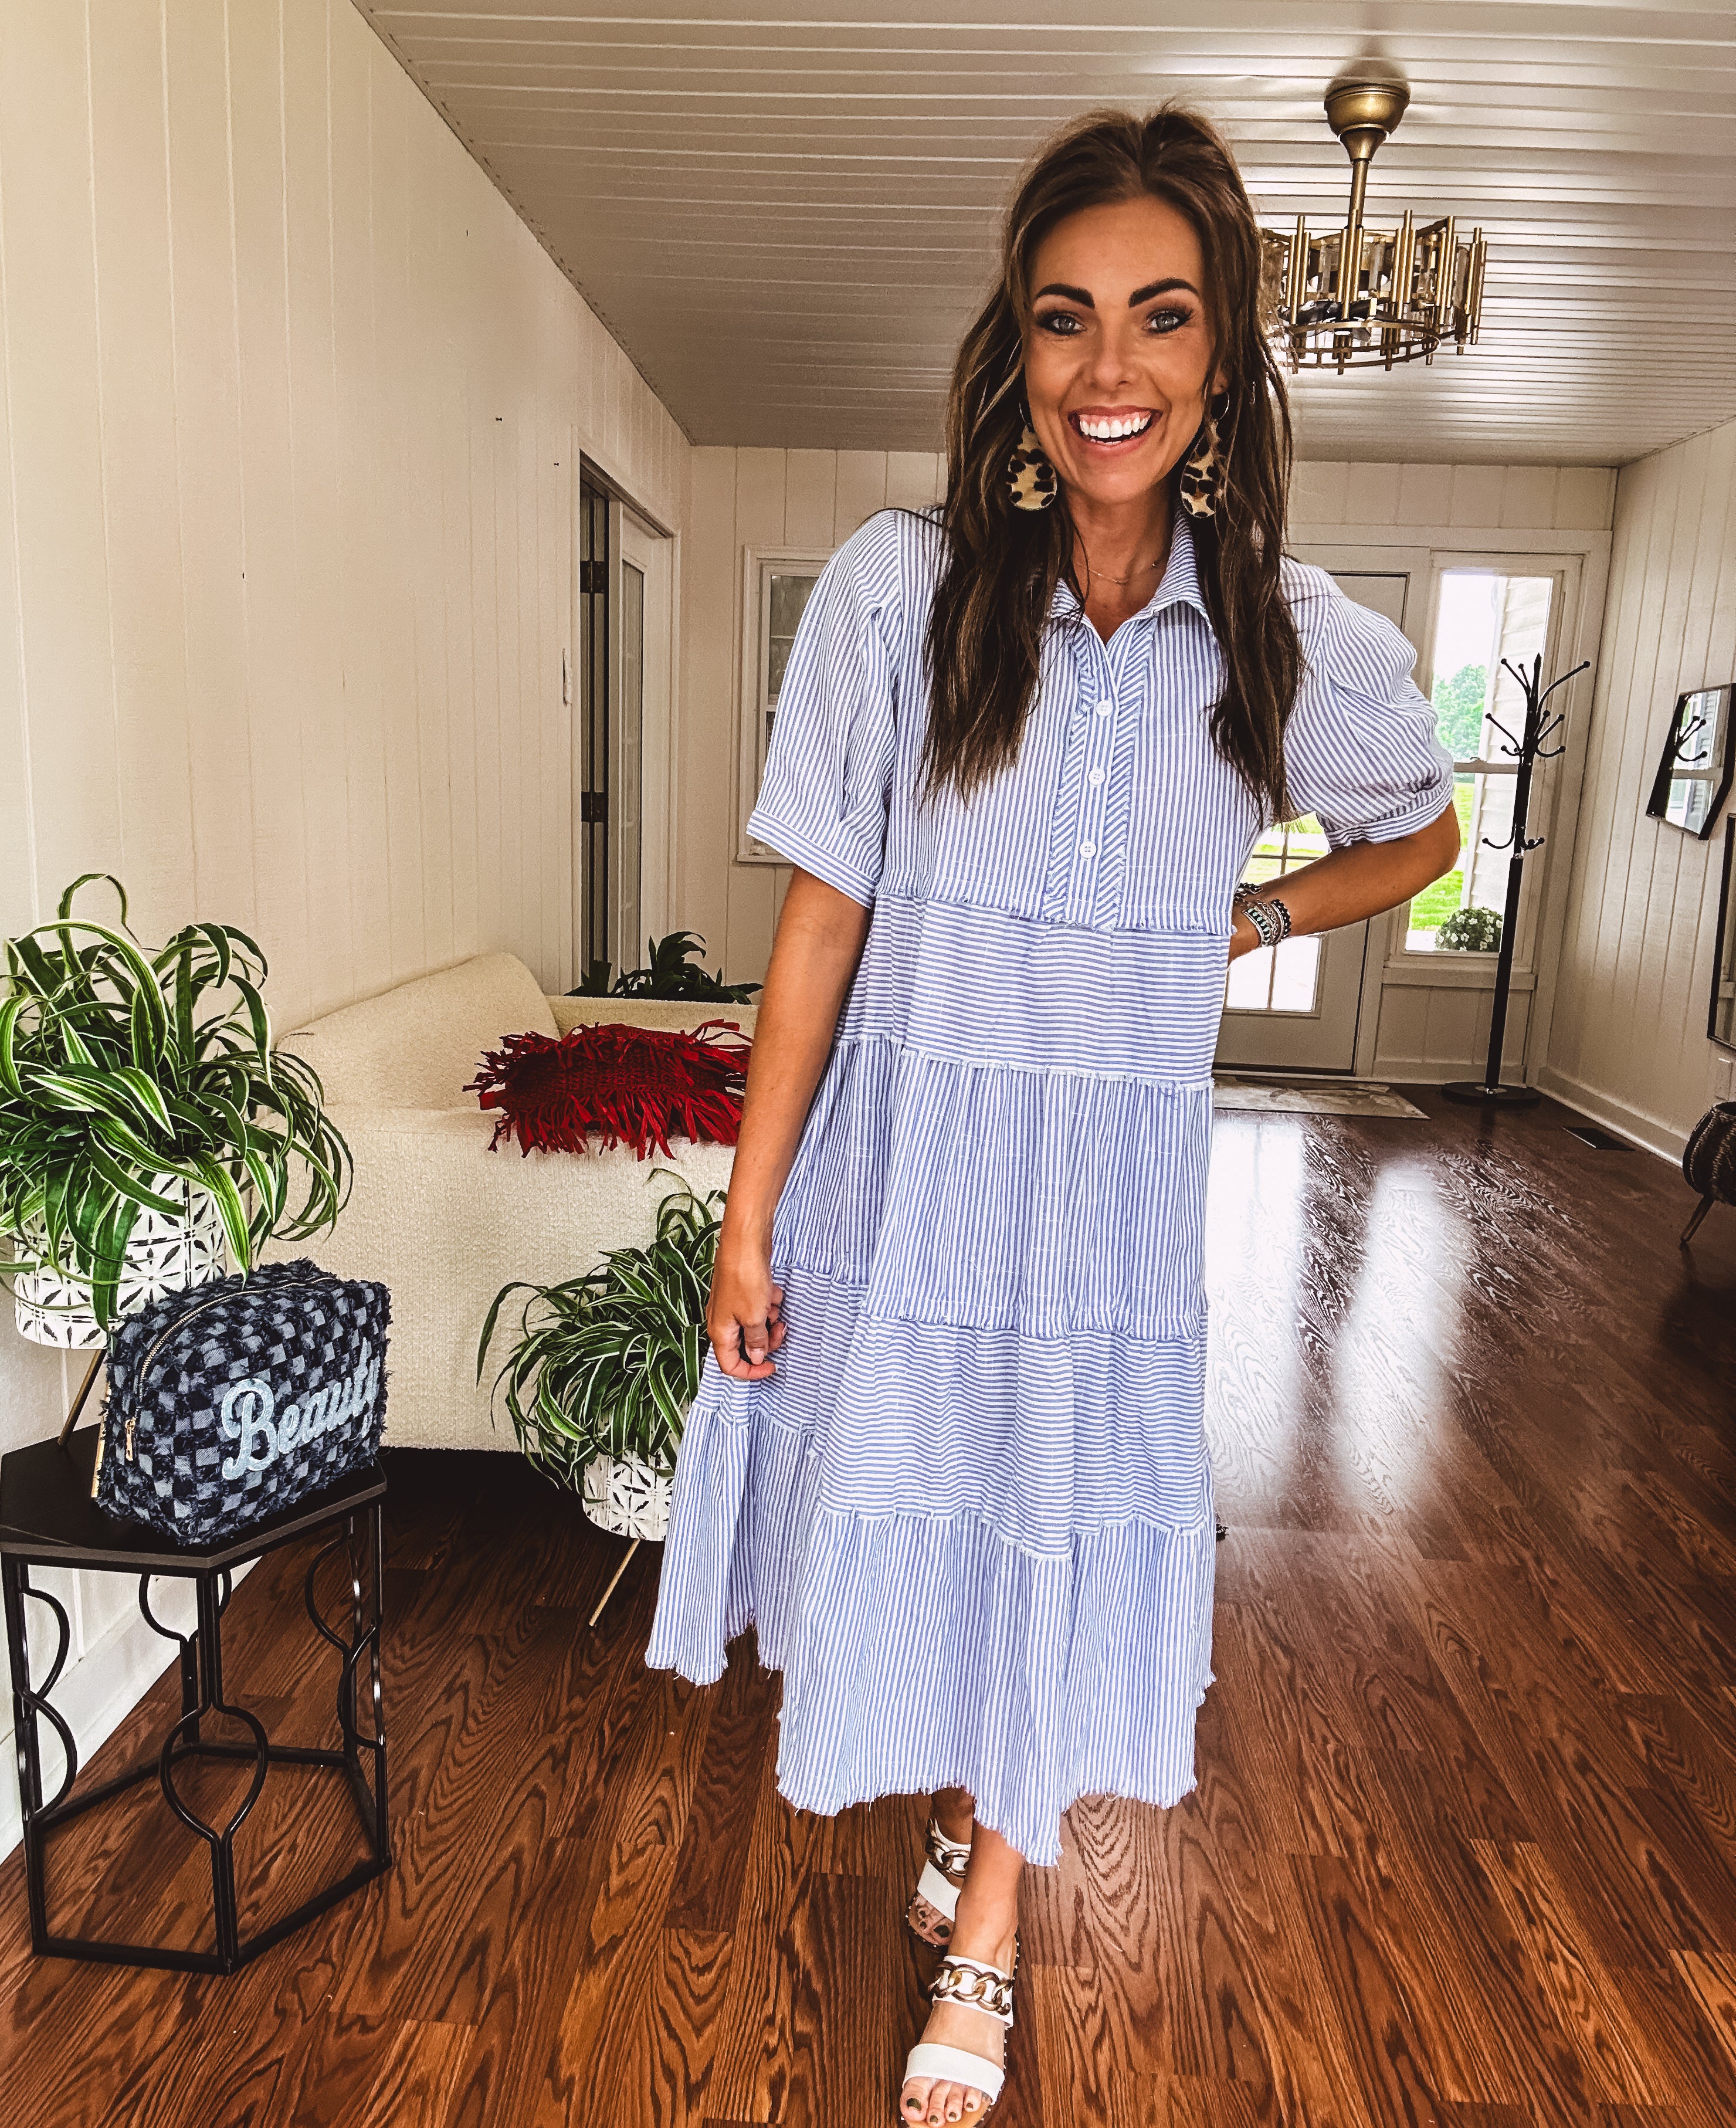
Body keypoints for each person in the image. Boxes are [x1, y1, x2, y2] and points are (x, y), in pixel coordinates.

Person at [646, 106, 1460, 2126]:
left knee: (1061, 1530)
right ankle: (970, 1799)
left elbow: (1426, 834)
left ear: (1224, 351)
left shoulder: (1279, 633)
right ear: (1013, 346)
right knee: (931, 1508)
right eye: (1066, 315)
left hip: (1108, 1209)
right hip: (908, 1181)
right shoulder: (900, 593)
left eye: (1161, 317)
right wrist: (748, 1214)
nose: (1112, 367)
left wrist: (1255, 914)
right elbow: (820, 920)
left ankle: (991, 1924)